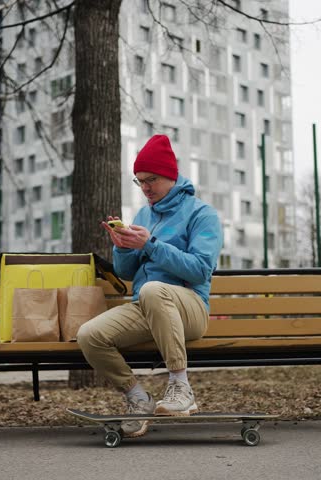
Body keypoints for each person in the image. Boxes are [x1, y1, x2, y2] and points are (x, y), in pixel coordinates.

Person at [76, 134, 223, 438]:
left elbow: (199, 270)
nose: (144, 187)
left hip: (190, 309)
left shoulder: (202, 214)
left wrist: (152, 245)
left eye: (151, 179)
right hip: (148, 304)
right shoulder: (144, 214)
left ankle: (181, 388)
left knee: (152, 289)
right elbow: (127, 272)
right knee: (90, 335)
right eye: (139, 181)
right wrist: (123, 247)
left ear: (170, 176)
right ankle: (138, 399)